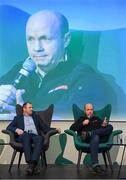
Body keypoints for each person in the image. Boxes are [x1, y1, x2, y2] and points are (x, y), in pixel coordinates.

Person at [0, 9, 120, 119]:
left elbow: (75, 121)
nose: (37, 48)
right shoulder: (19, 70)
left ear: (66, 40)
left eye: (45, 39)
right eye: (31, 39)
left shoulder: (83, 77)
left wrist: (26, 117)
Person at [6, 102, 61, 175]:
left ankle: (31, 166)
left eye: (32, 107)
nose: (32, 109)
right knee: (26, 135)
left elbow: (45, 128)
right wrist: (16, 129)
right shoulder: (18, 118)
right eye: (30, 107)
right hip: (24, 135)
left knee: (40, 138)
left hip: (35, 136)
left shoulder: (36, 117)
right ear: (24, 109)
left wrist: (55, 129)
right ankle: (32, 165)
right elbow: (9, 127)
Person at [70, 103, 113, 174]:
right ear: (85, 111)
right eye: (88, 109)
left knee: (110, 126)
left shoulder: (96, 118)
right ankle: (95, 165)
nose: (90, 111)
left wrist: (104, 125)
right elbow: (72, 128)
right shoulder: (82, 119)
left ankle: (90, 133)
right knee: (95, 137)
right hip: (88, 139)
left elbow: (103, 129)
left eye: (91, 109)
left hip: (99, 137)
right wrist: (83, 123)